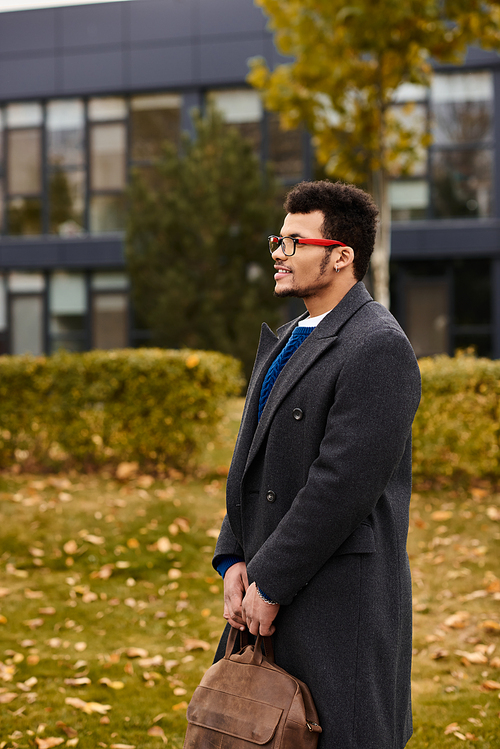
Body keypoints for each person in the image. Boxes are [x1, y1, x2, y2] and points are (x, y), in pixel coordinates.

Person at [212, 180, 421, 749]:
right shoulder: (288, 338)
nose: (277, 251)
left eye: (293, 240)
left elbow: (342, 485)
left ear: (340, 255)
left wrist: (271, 579)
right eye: (277, 239)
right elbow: (251, 463)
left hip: (337, 601)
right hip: (264, 585)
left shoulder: (378, 345)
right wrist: (232, 558)